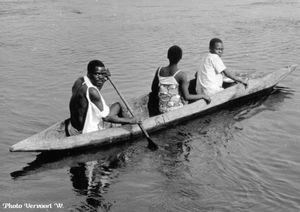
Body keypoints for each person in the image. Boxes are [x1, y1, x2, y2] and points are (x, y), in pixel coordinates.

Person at [67, 60, 141, 136]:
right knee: (118, 105)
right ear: (89, 73)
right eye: (97, 74)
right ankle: (132, 129)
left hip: (72, 129)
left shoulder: (79, 81)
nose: (100, 77)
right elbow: (106, 118)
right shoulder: (92, 91)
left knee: (114, 106)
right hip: (86, 132)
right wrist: (130, 120)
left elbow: (92, 93)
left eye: (102, 74)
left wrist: (103, 80)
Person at [151, 45, 211, 114]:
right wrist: (203, 95)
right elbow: (187, 97)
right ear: (180, 58)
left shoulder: (159, 70)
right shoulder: (181, 75)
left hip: (162, 109)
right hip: (176, 109)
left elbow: (153, 89)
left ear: (167, 56)